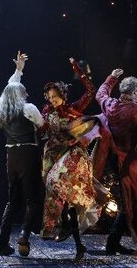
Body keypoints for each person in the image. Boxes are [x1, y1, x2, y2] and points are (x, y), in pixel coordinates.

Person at [37, 58, 99, 260]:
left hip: (70, 157)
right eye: (49, 96)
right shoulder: (47, 112)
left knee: (65, 194)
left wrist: (78, 70)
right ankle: (76, 243)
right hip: (52, 156)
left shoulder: (74, 109)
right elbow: (42, 130)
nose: (52, 99)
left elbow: (91, 91)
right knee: (57, 194)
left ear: (62, 95)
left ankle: (69, 234)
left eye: (55, 96)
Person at [96, 68, 137, 255]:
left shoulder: (111, 105)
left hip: (116, 160)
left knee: (126, 201)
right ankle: (113, 241)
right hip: (131, 163)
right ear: (134, 92)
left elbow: (101, 93)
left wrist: (112, 78)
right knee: (131, 202)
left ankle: (113, 241)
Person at [0, 51, 44, 257]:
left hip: (10, 157)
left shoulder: (2, 109)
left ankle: (2, 244)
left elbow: (9, 88)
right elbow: (41, 124)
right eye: (24, 92)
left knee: (13, 201)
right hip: (27, 155)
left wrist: (19, 71)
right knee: (34, 199)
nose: (27, 95)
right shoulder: (28, 109)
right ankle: (24, 234)